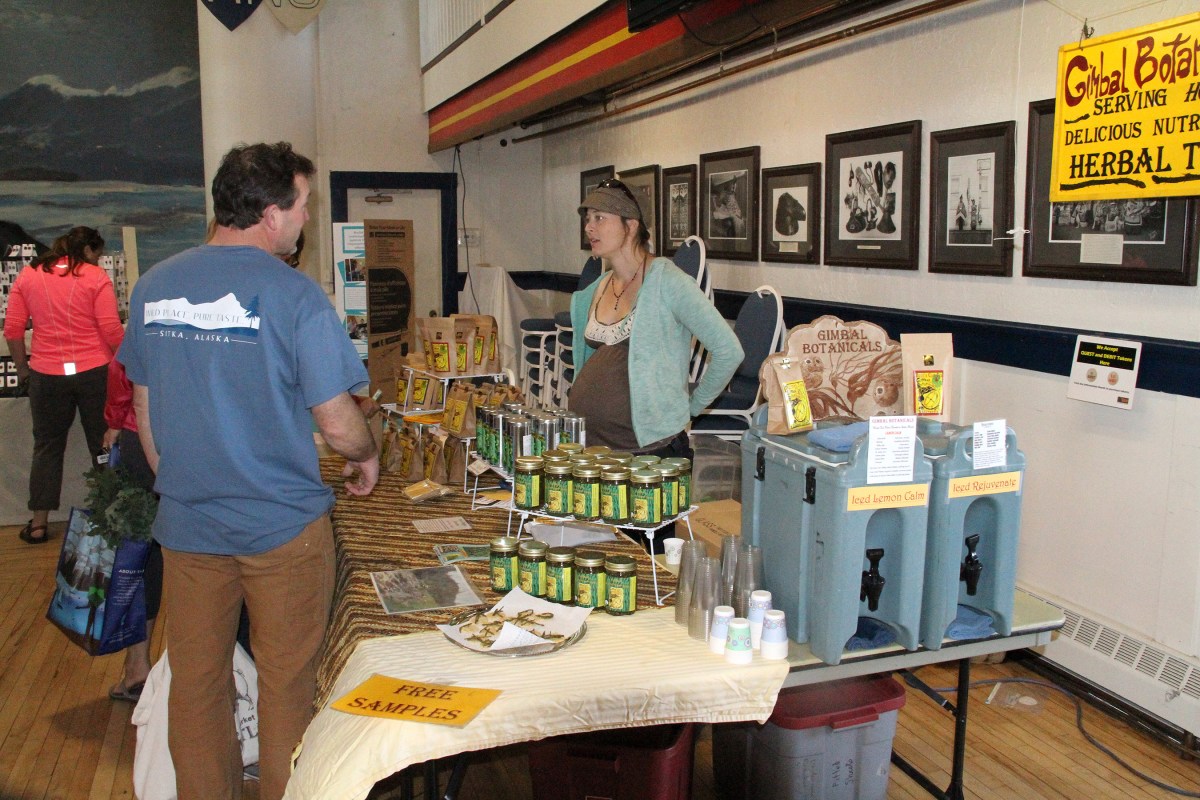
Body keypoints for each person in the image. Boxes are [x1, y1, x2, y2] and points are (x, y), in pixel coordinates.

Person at [118, 141, 378, 800]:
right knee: (288, 687)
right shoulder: (295, 296)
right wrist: (367, 453)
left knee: (197, 689)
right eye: (303, 204)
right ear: (270, 213)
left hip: (188, 529)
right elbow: (338, 423)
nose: (305, 218)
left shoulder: (153, 288)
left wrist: (185, 484)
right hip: (283, 531)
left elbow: (146, 412)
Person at [569, 178, 743, 458]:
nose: (589, 227)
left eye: (600, 218)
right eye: (588, 219)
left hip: (649, 453)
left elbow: (729, 350)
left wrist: (690, 409)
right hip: (592, 449)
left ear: (631, 225)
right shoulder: (593, 291)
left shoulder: (667, 281)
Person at [3, 226, 123, 544]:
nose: (98, 261)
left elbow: (12, 329)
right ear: (88, 251)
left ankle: (39, 524)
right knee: (103, 445)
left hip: (46, 374)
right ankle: (112, 519)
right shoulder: (95, 277)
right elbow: (111, 328)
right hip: (94, 372)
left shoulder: (29, 274)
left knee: (47, 447)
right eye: (97, 255)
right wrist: (125, 364)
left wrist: (23, 370)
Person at [101, 358, 161, 702]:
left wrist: (113, 422)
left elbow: (121, 369)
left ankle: (138, 667)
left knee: (142, 553)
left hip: (141, 436)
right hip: (204, 439)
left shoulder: (150, 323)